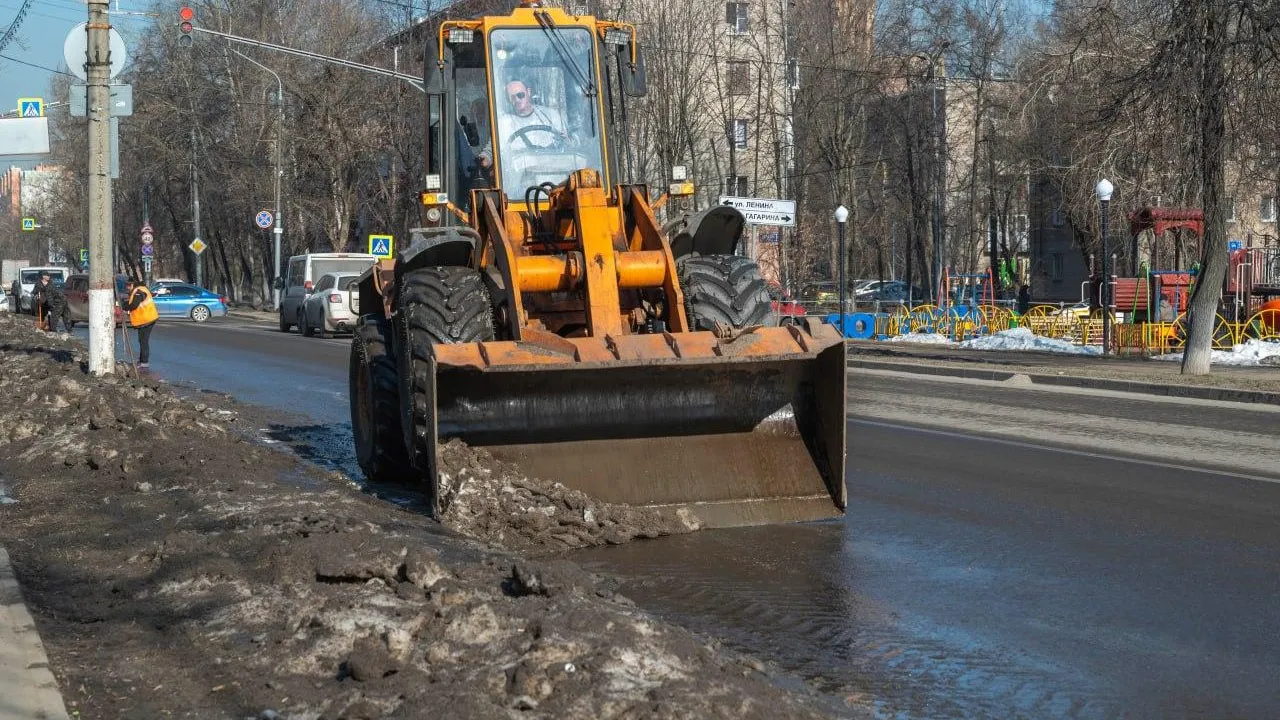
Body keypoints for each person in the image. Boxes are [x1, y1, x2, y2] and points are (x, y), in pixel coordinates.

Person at [478, 79, 569, 171]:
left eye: (520, 95)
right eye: (512, 97)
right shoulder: (504, 123)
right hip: (521, 179)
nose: (517, 100)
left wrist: (566, 139)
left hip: (555, 173)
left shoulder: (551, 115)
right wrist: (484, 159)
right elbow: (491, 150)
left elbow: (567, 144)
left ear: (528, 92)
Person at [121, 278, 159, 368]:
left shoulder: (138, 291)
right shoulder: (140, 289)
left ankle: (144, 362)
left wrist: (124, 306)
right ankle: (142, 361)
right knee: (142, 341)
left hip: (146, 320)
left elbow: (134, 305)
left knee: (143, 341)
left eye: (128, 285)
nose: (127, 288)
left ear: (132, 285)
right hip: (146, 319)